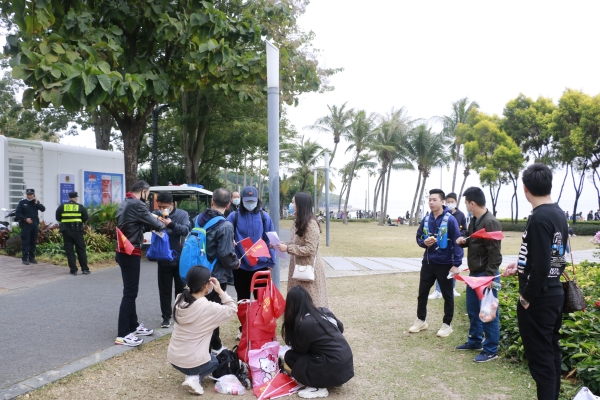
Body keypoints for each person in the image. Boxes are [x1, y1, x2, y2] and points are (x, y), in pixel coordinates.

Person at [502, 163, 568, 400]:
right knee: (550, 353)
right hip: (553, 294)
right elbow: (553, 258)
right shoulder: (558, 213)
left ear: (525, 188)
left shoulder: (540, 218)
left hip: (539, 299)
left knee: (541, 360)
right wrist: (519, 265)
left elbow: (541, 267)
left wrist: (526, 297)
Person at [167, 266, 237, 395]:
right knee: (214, 361)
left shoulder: (179, 299)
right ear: (206, 285)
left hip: (173, 358)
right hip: (192, 362)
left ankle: (192, 375)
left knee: (201, 357)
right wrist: (220, 291)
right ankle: (194, 377)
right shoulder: (208, 307)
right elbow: (233, 309)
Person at [115, 180, 166, 347]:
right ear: (143, 192)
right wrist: (161, 221)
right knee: (130, 292)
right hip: (131, 252)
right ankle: (123, 334)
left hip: (123, 249)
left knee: (130, 290)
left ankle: (133, 325)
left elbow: (131, 225)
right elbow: (156, 224)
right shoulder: (138, 205)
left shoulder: (124, 202)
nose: (148, 196)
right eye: (148, 193)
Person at [455, 187, 502, 362]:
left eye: (466, 203)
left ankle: (490, 349)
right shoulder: (475, 219)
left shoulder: (490, 222)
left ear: (472, 203)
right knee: (473, 309)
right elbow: (472, 239)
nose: (466, 206)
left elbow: (495, 253)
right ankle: (475, 341)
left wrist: (490, 276)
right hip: (474, 273)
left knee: (488, 313)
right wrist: (462, 241)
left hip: (485, 275)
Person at [409, 189, 463, 338]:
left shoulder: (450, 220)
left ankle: (447, 324)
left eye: (435, 200)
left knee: (447, 295)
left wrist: (456, 264)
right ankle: (421, 320)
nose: (431, 202)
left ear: (442, 202)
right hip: (428, 262)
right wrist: (423, 242)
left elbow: (458, 243)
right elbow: (419, 236)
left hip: (445, 264)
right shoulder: (426, 219)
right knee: (422, 293)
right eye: (430, 199)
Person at [281, 286, 353, 399]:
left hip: (331, 364)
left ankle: (318, 387)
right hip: (345, 366)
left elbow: (301, 350)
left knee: (290, 356)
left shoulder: (304, 324)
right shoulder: (325, 312)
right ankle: (332, 380)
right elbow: (341, 328)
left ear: (291, 305)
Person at [196, 188, 240, 355]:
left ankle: (214, 344)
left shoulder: (199, 219)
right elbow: (224, 255)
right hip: (215, 276)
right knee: (213, 312)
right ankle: (208, 349)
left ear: (212, 201)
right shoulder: (226, 225)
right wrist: (236, 263)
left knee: (201, 310)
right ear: (229, 204)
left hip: (197, 271)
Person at [277, 192, 329, 308]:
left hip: (308, 267)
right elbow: (295, 243)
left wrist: (288, 248)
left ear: (300, 205)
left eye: (293, 202)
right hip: (296, 267)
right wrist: (281, 244)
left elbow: (310, 249)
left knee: (310, 298)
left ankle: (312, 322)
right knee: (297, 297)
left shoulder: (311, 223)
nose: (291, 205)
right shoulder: (297, 222)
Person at [227, 185, 276, 301]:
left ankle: (260, 320)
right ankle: (246, 320)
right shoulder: (233, 216)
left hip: (261, 266)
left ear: (257, 200)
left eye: (252, 201)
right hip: (240, 267)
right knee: (243, 301)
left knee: (262, 301)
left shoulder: (264, 217)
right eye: (247, 201)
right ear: (242, 200)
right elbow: (224, 236)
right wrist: (230, 241)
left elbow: (271, 240)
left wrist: (271, 262)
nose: (250, 204)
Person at [154, 192, 190, 328]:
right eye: (160, 206)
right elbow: (147, 227)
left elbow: (186, 230)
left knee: (180, 289)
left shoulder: (182, 214)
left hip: (180, 257)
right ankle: (166, 316)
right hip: (163, 257)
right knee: (164, 289)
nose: (162, 209)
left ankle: (179, 314)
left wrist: (171, 224)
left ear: (172, 205)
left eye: (165, 206)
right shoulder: (156, 214)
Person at [430, 192, 466, 299]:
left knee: (454, 267)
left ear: (456, 202)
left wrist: (459, 237)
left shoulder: (460, 215)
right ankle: (438, 290)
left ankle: (452, 288)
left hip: (454, 246)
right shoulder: (442, 214)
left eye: (452, 202)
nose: (450, 203)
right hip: (443, 245)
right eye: (448, 201)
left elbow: (464, 229)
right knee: (439, 268)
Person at [55, 191, 90, 275]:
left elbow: (58, 218)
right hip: (77, 231)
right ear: (76, 198)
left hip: (66, 232)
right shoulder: (80, 207)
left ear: (69, 198)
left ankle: (73, 270)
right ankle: (85, 269)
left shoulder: (62, 207)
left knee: (69, 251)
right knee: (81, 250)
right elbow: (85, 218)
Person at [15, 188, 46, 265]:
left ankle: (31, 258)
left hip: (34, 224)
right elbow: (18, 213)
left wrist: (36, 203)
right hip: (26, 224)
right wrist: (25, 219)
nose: (29, 196)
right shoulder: (22, 202)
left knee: (33, 241)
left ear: (33, 195)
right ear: (26, 195)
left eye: (31, 195)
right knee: (26, 241)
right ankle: (25, 258)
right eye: (28, 194)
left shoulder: (35, 202)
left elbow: (43, 209)